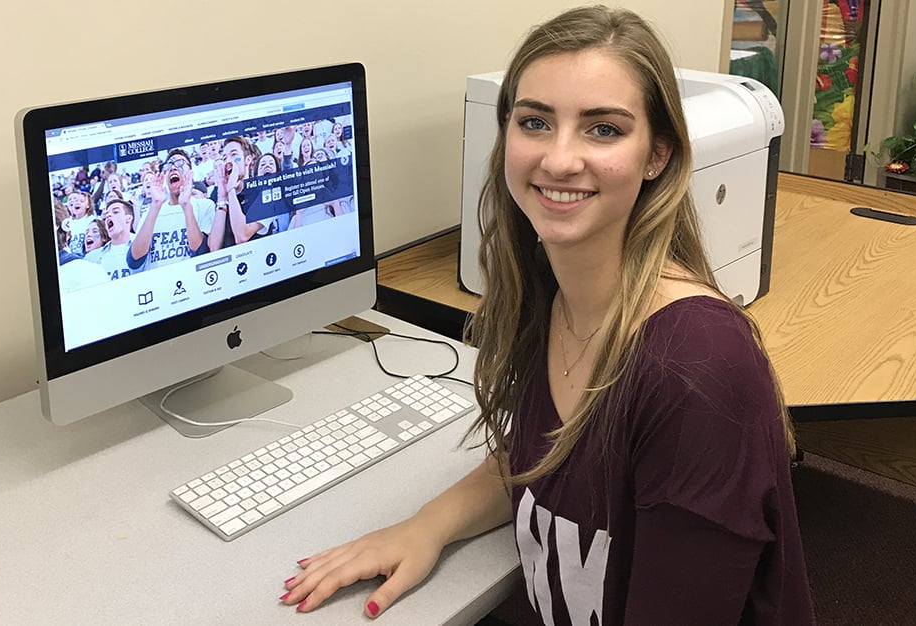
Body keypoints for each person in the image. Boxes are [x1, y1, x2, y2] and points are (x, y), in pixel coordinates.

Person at [278, 6, 815, 624]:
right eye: (535, 121)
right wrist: (425, 527)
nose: (559, 160)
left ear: (657, 155)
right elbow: (537, 458)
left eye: (604, 130)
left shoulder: (695, 365)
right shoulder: (551, 291)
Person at [129, 148, 216, 271]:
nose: (173, 168)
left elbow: (202, 252)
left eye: (180, 163)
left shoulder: (205, 205)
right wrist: (155, 205)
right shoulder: (151, 211)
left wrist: (186, 204)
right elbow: (134, 260)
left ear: (191, 173)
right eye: (169, 165)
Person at [84, 198, 142, 280]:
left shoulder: (144, 248)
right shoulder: (91, 258)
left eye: (115, 212)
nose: (108, 215)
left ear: (128, 218)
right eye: (107, 214)